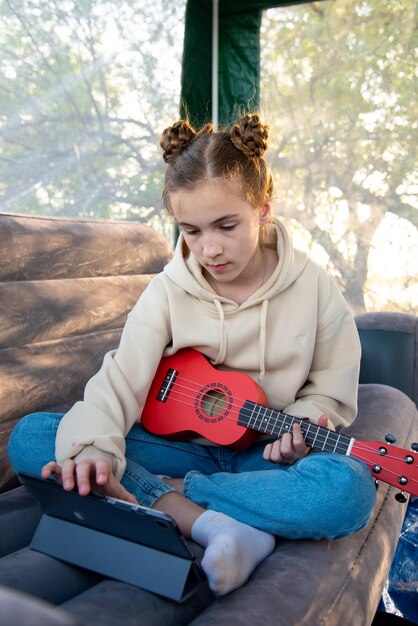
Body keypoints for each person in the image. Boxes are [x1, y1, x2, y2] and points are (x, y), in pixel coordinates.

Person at [8, 113, 376, 597]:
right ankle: (212, 524)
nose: (209, 249)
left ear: (263, 209)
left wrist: (302, 425)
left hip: (261, 459)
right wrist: (96, 449)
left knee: (348, 490)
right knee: (35, 436)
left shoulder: (314, 288)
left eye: (226, 226)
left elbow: (330, 387)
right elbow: (120, 381)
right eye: (192, 231)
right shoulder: (167, 291)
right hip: (175, 448)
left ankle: (166, 495)